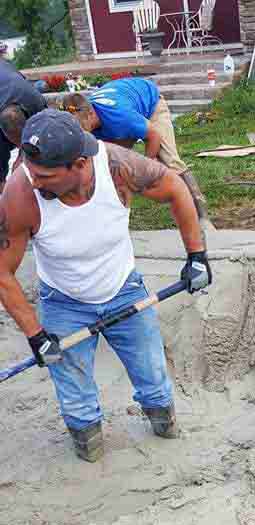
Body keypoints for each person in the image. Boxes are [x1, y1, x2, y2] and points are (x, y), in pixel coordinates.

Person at [0, 109, 212, 463]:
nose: (35, 182)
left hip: (123, 288)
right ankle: (88, 449)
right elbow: (3, 273)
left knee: (153, 375)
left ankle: (165, 428)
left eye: (46, 176)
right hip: (63, 302)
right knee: (75, 395)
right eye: (32, 173)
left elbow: (176, 188)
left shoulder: (117, 168)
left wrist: (197, 256)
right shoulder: (21, 194)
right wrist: (37, 336)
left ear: (80, 164)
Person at [62, 77, 210, 228]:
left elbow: (153, 135)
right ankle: (108, 221)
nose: (83, 134)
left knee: (170, 160)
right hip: (121, 114)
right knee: (109, 166)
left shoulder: (119, 115)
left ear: (92, 114)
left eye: (84, 128)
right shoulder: (83, 115)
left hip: (150, 104)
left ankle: (202, 216)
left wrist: (146, 169)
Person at [0, 59, 48, 193]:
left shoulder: (37, 105)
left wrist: (23, 156)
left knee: (36, 154)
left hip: (27, 99)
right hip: (27, 95)